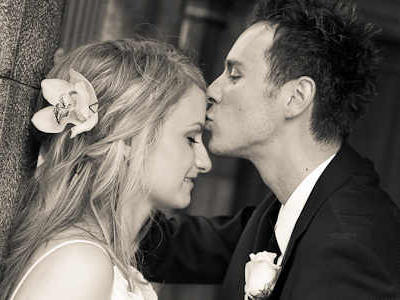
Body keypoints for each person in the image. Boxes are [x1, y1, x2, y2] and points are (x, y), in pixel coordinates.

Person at [140, 0, 400, 299]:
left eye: (234, 75)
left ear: (296, 97)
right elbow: (172, 246)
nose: (212, 90)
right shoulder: (288, 209)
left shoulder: (347, 244)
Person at [0, 37, 212, 300]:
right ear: (130, 137)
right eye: (191, 138)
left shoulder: (95, 260)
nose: (204, 162)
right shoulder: (80, 265)